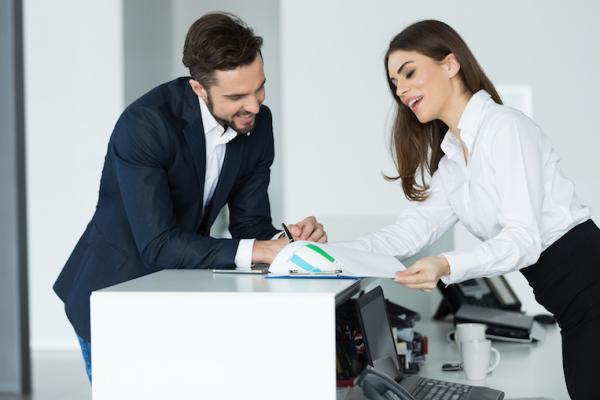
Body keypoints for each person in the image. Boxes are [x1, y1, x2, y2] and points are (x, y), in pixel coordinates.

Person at [53, 12, 326, 382]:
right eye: (236, 96)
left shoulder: (258, 124)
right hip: (114, 295)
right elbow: (158, 244)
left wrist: (287, 243)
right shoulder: (145, 124)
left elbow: (250, 226)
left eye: (260, 88)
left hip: (180, 294)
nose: (254, 106)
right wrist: (262, 250)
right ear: (199, 88)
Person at [332, 20, 598, 399]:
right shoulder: (453, 163)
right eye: (394, 83)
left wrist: (445, 265)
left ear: (450, 64)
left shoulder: (504, 128)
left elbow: (523, 241)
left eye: (409, 73)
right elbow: (409, 233)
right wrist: (322, 256)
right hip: (573, 312)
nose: (401, 89)